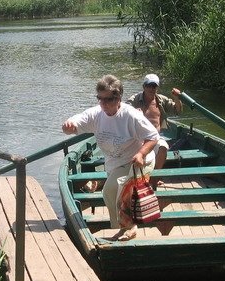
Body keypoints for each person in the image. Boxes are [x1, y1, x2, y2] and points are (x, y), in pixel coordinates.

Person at [62, 75, 159, 241]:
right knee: (111, 193)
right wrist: (69, 125)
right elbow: (79, 119)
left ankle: (130, 227)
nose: (103, 103)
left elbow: (153, 136)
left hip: (140, 160)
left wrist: (141, 154)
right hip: (116, 162)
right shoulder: (97, 114)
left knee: (117, 190)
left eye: (107, 99)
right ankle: (123, 227)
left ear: (118, 97)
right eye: (100, 99)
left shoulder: (130, 116)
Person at [126, 74, 183, 173]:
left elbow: (177, 111)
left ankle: (155, 176)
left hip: (156, 136)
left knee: (163, 147)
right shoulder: (135, 99)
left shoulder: (161, 100)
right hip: (138, 137)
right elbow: (123, 110)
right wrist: (134, 111)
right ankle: (137, 175)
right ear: (144, 86)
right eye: (149, 86)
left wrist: (177, 98)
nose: (152, 89)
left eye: (154, 86)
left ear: (157, 87)